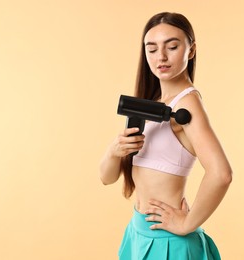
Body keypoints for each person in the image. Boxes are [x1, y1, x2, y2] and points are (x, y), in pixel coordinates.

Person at [99, 12, 232, 260]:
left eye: (172, 46)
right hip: (138, 233)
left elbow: (221, 174)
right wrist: (114, 151)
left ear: (190, 51)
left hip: (168, 242)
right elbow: (106, 178)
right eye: (151, 49)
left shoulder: (187, 105)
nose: (161, 57)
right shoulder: (155, 105)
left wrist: (187, 223)